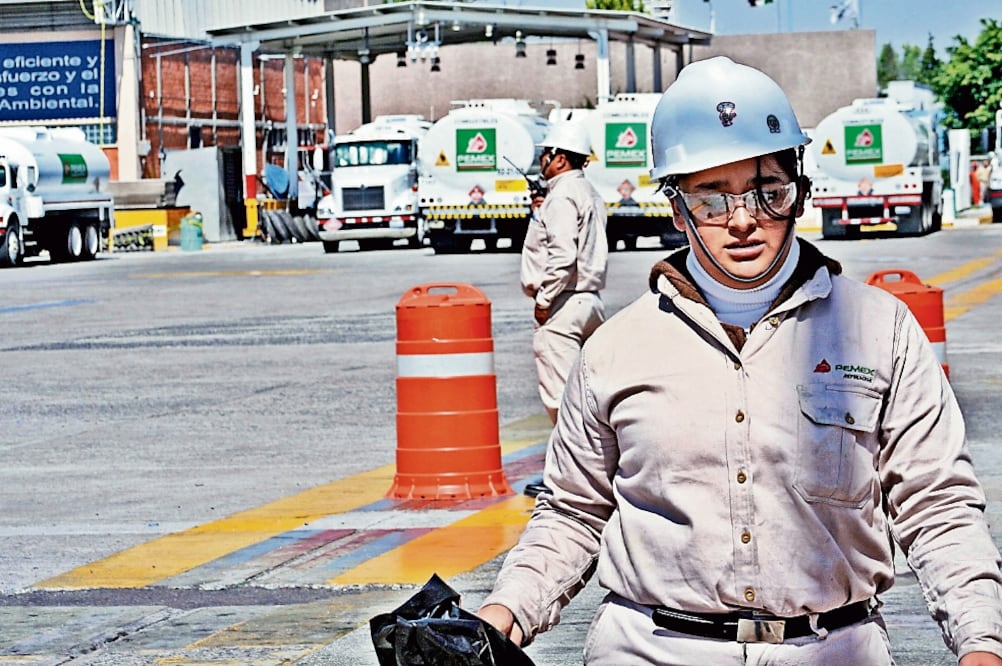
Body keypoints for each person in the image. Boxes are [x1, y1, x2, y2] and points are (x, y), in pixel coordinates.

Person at [478, 56, 1002, 665]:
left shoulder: (879, 330)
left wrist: (982, 643)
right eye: (712, 199)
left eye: (768, 192)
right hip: (652, 651)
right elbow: (572, 510)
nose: (745, 220)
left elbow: (938, 504)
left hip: (831, 650)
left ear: (800, 193)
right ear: (677, 209)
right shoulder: (614, 351)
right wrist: (504, 613)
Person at [520, 122, 609, 427]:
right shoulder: (588, 192)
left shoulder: (561, 196)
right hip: (590, 301)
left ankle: (570, 458)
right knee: (592, 396)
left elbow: (562, 256)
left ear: (560, 159)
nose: (541, 160)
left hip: (563, 303)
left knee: (562, 401)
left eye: (546, 153)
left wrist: (544, 300)